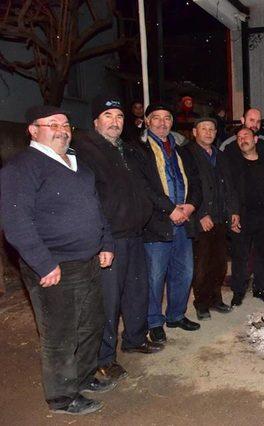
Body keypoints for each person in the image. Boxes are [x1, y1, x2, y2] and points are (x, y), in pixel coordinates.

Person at [1, 105, 115, 415]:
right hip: (55, 266)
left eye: (65, 124)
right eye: (52, 124)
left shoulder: (79, 166)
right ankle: (62, 397)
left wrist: (105, 241)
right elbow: (15, 222)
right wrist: (43, 263)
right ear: (33, 130)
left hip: (89, 261)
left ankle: (85, 376)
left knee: (90, 325)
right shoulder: (22, 167)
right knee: (60, 334)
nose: (61, 129)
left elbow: (97, 209)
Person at [72, 95, 162, 383]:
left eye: (120, 117)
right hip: (110, 239)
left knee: (137, 292)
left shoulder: (125, 150)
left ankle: (134, 338)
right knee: (108, 301)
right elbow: (89, 200)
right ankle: (104, 358)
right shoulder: (86, 150)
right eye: (108, 116)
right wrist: (101, 240)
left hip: (135, 234)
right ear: (96, 121)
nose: (115, 122)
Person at [135, 103, 203, 344]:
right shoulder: (140, 150)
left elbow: (195, 180)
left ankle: (176, 315)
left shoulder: (181, 149)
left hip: (184, 220)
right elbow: (143, 187)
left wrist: (191, 206)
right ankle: (154, 322)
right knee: (155, 276)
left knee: (184, 272)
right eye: (156, 118)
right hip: (157, 223)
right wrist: (170, 209)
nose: (162, 123)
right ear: (147, 121)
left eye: (167, 118)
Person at [225, 127, 264, 305]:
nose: (242, 139)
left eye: (246, 136)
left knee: (263, 253)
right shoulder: (234, 164)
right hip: (243, 215)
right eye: (238, 138)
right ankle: (238, 291)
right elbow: (229, 191)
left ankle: (260, 288)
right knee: (240, 255)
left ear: (256, 140)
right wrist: (232, 214)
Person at [184, 117, 239, 320]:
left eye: (212, 129)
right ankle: (201, 303)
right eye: (203, 129)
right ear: (195, 132)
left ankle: (216, 299)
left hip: (221, 217)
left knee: (220, 262)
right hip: (202, 218)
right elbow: (189, 186)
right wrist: (200, 215)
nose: (208, 133)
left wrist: (234, 211)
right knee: (202, 264)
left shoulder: (220, 155)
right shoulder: (188, 154)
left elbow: (230, 186)